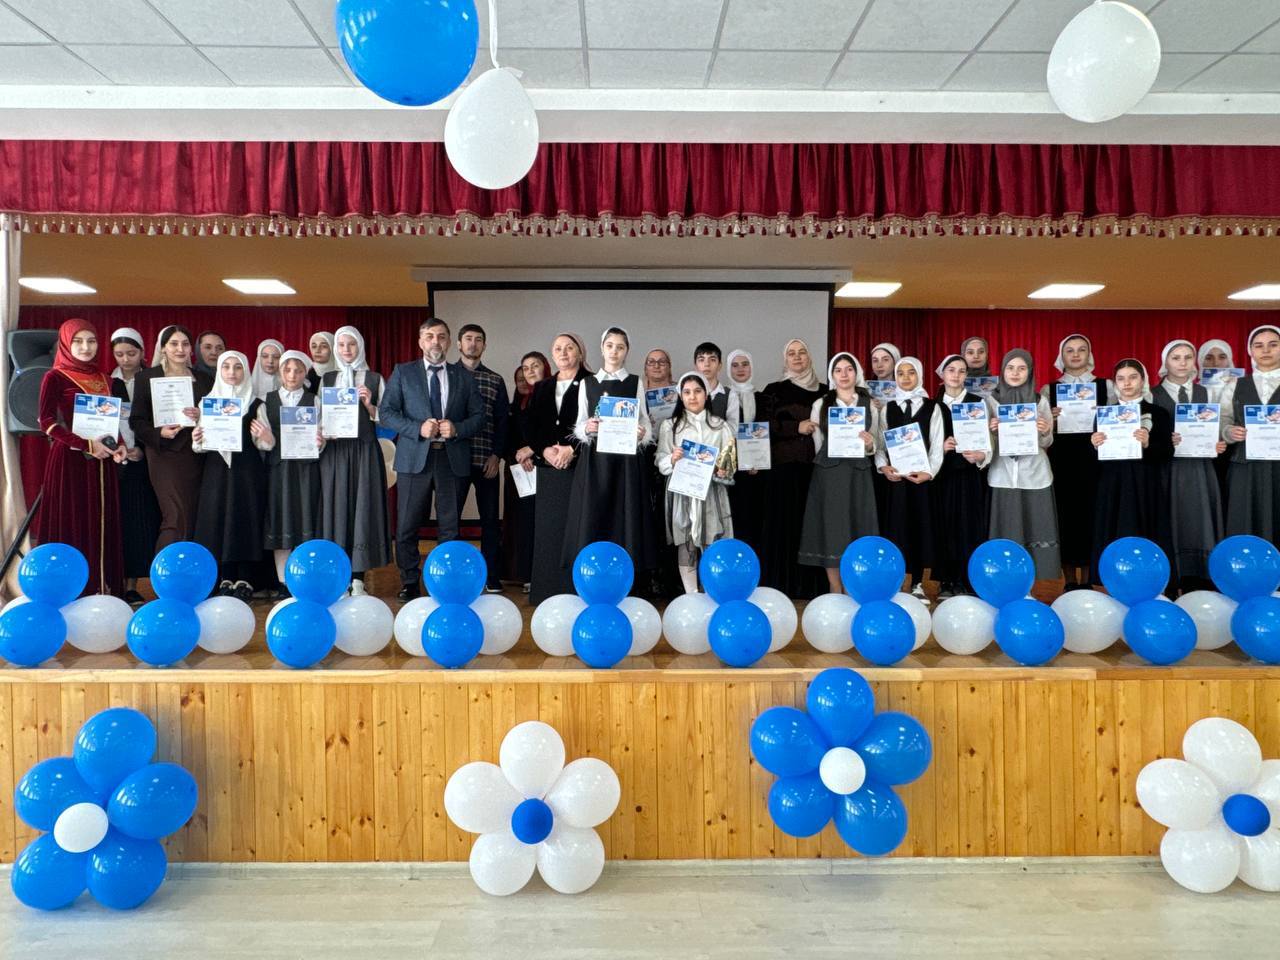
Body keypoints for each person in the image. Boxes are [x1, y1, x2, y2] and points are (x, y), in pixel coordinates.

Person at [381, 318, 484, 601]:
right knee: (407, 525)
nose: (435, 342)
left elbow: (479, 416)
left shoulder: (464, 376)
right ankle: (409, 582)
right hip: (414, 459)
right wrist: (417, 428)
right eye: (429, 336)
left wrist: (458, 428)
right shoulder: (403, 372)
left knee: (450, 528)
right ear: (420, 341)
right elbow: (387, 413)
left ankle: (446, 583)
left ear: (449, 342)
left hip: (451, 460)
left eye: (440, 336)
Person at [34, 318, 127, 598]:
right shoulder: (55, 377)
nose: (86, 347)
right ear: (65, 343)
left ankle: (102, 587)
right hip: (70, 461)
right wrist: (86, 444)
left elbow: (110, 422)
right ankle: (73, 590)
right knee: (73, 519)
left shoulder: (105, 378)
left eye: (91, 341)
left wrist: (119, 445)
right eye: (78, 341)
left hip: (102, 462)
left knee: (102, 521)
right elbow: (46, 422)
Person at [563, 327, 658, 580]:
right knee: (594, 515)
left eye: (620, 347)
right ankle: (592, 575)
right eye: (610, 346)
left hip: (626, 463)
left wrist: (642, 433)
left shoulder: (635, 382)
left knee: (624, 517)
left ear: (627, 351)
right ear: (602, 348)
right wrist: (587, 428)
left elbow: (645, 421)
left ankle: (626, 578)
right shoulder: (588, 383)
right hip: (596, 463)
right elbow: (579, 423)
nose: (614, 351)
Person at [318, 325, 392, 596]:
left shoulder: (374, 378)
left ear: (360, 346)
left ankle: (359, 577)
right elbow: (318, 416)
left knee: (363, 509)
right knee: (337, 509)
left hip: (364, 450)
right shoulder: (327, 379)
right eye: (341, 345)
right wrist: (321, 432)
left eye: (351, 344)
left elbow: (389, 420)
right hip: (335, 453)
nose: (346, 350)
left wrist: (370, 404)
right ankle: (340, 576)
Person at [797, 353, 878, 593]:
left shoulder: (869, 404)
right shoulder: (821, 404)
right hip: (829, 475)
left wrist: (870, 444)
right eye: (838, 370)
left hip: (858, 473)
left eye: (849, 369)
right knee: (831, 529)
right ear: (832, 375)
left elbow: (877, 441)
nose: (844, 374)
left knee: (857, 527)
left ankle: (854, 587)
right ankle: (835, 587)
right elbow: (818, 442)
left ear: (856, 372)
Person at [1090, 359, 1174, 588]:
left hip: (1145, 484)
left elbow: (1167, 452)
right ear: (1115, 383)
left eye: (1133, 377)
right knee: (1113, 533)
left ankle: (1150, 582)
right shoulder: (1105, 414)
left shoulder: (1158, 413)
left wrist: (1148, 444)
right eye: (1121, 378)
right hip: (1113, 484)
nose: (1127, 383)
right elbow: (1095, 461)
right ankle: (1112, 583)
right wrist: (1094, 445)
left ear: (1143, 380)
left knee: (1146, 532)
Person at [191, 351, 268, 600]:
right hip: (217, 471)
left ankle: (246, 578)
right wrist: (197, 438)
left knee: (245, 520)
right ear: (219, 371)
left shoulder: (256, 404)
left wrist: (266, 437)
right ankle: (224, 577)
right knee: (218, 520)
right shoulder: (208, 403)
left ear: (246, 370)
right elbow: (200, 447)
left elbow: (265, 445)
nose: (232, 372)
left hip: (247, 472)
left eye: (238, 367)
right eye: (226, 367)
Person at [130, 324, 214, 552]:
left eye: (185, 344)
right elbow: (137, 421)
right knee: (175, 516)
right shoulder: (147, 377)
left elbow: (214, 416)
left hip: (197, 454)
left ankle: (192, 567)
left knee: (195, 515)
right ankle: (164, 570)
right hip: (164, 455)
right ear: (163, 348)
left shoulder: (204, 379)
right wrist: (160, 432)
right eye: (174, 344)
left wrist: (201, 415)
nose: (180, 349)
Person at [656, 372, 738, 593]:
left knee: (713, 542)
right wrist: (671, 459)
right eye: (687, 392)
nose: (692, 397)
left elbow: (730, 465)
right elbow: (660, 460)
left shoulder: (720, 426)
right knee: (687, 543)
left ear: (706, 394)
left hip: (712, 494)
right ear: (680, 396)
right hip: (683, 495)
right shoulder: (670, 426)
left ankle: (713, 592)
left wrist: (723, 470)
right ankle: (691, 595)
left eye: (698, 391)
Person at [1041, 334, 1109, 591]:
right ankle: (1069, 581)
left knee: (1093, 516)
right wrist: (1051, 420)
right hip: (1063, 461)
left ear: (1089, 354)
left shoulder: (1106, 386)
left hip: (1095, 460)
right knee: (1065, 517)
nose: (1076, 354)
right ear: (1062, 356)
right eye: (1070, 350)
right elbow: (1042, 434)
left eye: (1081, 349)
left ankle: (1089, 579)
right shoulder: (1049, 390)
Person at [1156, 340, 1225, 592]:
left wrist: (1218, 443)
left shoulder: (1206, 393)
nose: (1182, 363)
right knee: (1172, 520)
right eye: (1175, 358)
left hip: (1199, 469)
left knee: (1200, 520)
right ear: (1165, 362)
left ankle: (1200, 576)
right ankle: (1173, 576)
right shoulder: (1152, 394)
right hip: (1168, 470)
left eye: (1187, 357)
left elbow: (1218, 429)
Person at [527, 333, 591, 604]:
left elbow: (596, 423)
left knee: (577, 530)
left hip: (579, 468)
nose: (563, 353)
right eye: (558, 349)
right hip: (549, 469)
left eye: (569, 348)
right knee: (548, 531)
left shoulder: (591, 382)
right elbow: (531, 426)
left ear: (580, 352)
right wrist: (544, 450)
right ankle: (546, 591)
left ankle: (577, 590)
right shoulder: (542, 387)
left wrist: (571, 448)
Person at [255, 350, 325, 596]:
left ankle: (305, 578)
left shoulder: (314, 401)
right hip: (278, 471)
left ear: (305, 373)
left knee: (306, 518)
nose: (292, 375)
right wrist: (266, 438)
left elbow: (322, 432)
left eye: (298, 370)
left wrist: (320, 441)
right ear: (280, 372)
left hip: (306, 470)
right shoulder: (266, 402)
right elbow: (262, 441)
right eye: (287, 369)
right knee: (280, 520)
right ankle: (284, 581)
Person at [761, 338, 827, 599]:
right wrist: (795, 427)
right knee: (784, 527)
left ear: (809, 357)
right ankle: (782, 584)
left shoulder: (826, 391)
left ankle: (810, 586)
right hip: (782, 472)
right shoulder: (773, 390)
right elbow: (763, 426)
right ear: (785, 359)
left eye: (802, 353)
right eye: (791, 353)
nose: (797, 357)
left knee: (810, 528)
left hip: (816, 471)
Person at [988, 349, 1060, 583]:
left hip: (1035, 475)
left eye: (1021, 368)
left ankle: (1031, 585)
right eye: (1010, 368)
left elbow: (1047, 442)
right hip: (1002, 475)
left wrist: (1045, 431)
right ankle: (1004, 583)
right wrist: (991, 432)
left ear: (1030, 372)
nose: (1015, 373)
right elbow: (984, 445)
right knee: (1006, 531)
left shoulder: (1040, 401)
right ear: (1002, 371)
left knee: (1035, 529)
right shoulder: (990, 401)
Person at [875, 356, 944, 604]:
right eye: (900, 373)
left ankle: (917, 584)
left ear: (920, 376)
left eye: (911, 372)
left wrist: (930, 472)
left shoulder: (933, 407)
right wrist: (883, 467)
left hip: (921, 482)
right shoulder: (888, 408)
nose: (905, 377)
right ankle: (894, 584)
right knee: (896, 530)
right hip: (896, 482)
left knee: (920, 529)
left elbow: (937, 446)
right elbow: (880, 444)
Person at [454, 323, 511, 594]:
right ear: (459, 344)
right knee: (450, 521)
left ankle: (491, 576)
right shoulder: (448, 375)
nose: (473, 344)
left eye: (478, 339)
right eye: (468, 339)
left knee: (490, 521)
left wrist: (497, 455)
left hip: (486, 460)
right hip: (454, 461)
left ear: (484, 346)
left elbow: (502, 422)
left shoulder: (495, 380)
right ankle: (455, 575)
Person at [932, 354, 992, 598]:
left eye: (961, 371)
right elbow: (923, 442)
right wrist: (940, 448)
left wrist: (981, 455)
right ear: (942, 374)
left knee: (970, 527)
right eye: (951, 370)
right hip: (942, 476)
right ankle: (946, 581)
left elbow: (989, 442)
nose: (956, 375)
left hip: (969, 475)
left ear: (967, 375)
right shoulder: (932, 405)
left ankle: (968, 581)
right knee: (944, 526)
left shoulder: (978, 403)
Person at [110, 327, 161, 604]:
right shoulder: (107, 382)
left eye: (131, 353)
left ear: (142, 352)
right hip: (115, 460)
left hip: (148, 460)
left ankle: (141, 581)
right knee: (120, 523)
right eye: (119, 354)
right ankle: (119, 582)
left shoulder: (153, 380)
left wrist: (141, 448)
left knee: (144, 521)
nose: (125, 359)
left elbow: (158, 419)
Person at [1220, 325, 1280, 542]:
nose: (1266, 350)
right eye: (1259, 345)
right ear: (1250, 351)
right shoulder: (1235, 384)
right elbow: (1223, 418)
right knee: (1244, 520)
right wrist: (1229, 432)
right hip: (1245, 465)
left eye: (1273, 345)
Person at [505, 351, 551, 591]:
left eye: (535, 366)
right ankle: (525, 573)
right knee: (524, 524)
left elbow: (554, 432)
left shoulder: (551, 396)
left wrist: (533, 451)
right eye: (525, 368)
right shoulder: (518, 405)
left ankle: (543, 574)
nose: (529, 373)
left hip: (547, 468)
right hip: (522, 473)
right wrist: (520, 455)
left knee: (544, 523)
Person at [724, 349, 772, 558]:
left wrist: (757, 461)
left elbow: (769, 433)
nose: (740, 369)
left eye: (745, 364)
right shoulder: (723, 398)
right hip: (731, 472)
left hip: (758, 471)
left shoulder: (763, 398)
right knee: (734, 519)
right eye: (735, 365)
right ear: (728, 369)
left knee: (757, 520)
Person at [1199, 338, 1238, 505]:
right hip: (1203, 455)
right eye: (1209, 358)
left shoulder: (1244, 387)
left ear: (1229, 359)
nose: (1215, 363)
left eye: (1222, 357)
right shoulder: (1193, 390)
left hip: (1236, 454)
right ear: (1200, 361)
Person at [693, 341, 740, 427]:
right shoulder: (686, 394)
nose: (707, 364)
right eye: (701, 360)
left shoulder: (730, 395)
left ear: (720, 365)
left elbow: (733, 428)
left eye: (712, 360)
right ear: (695, 366)